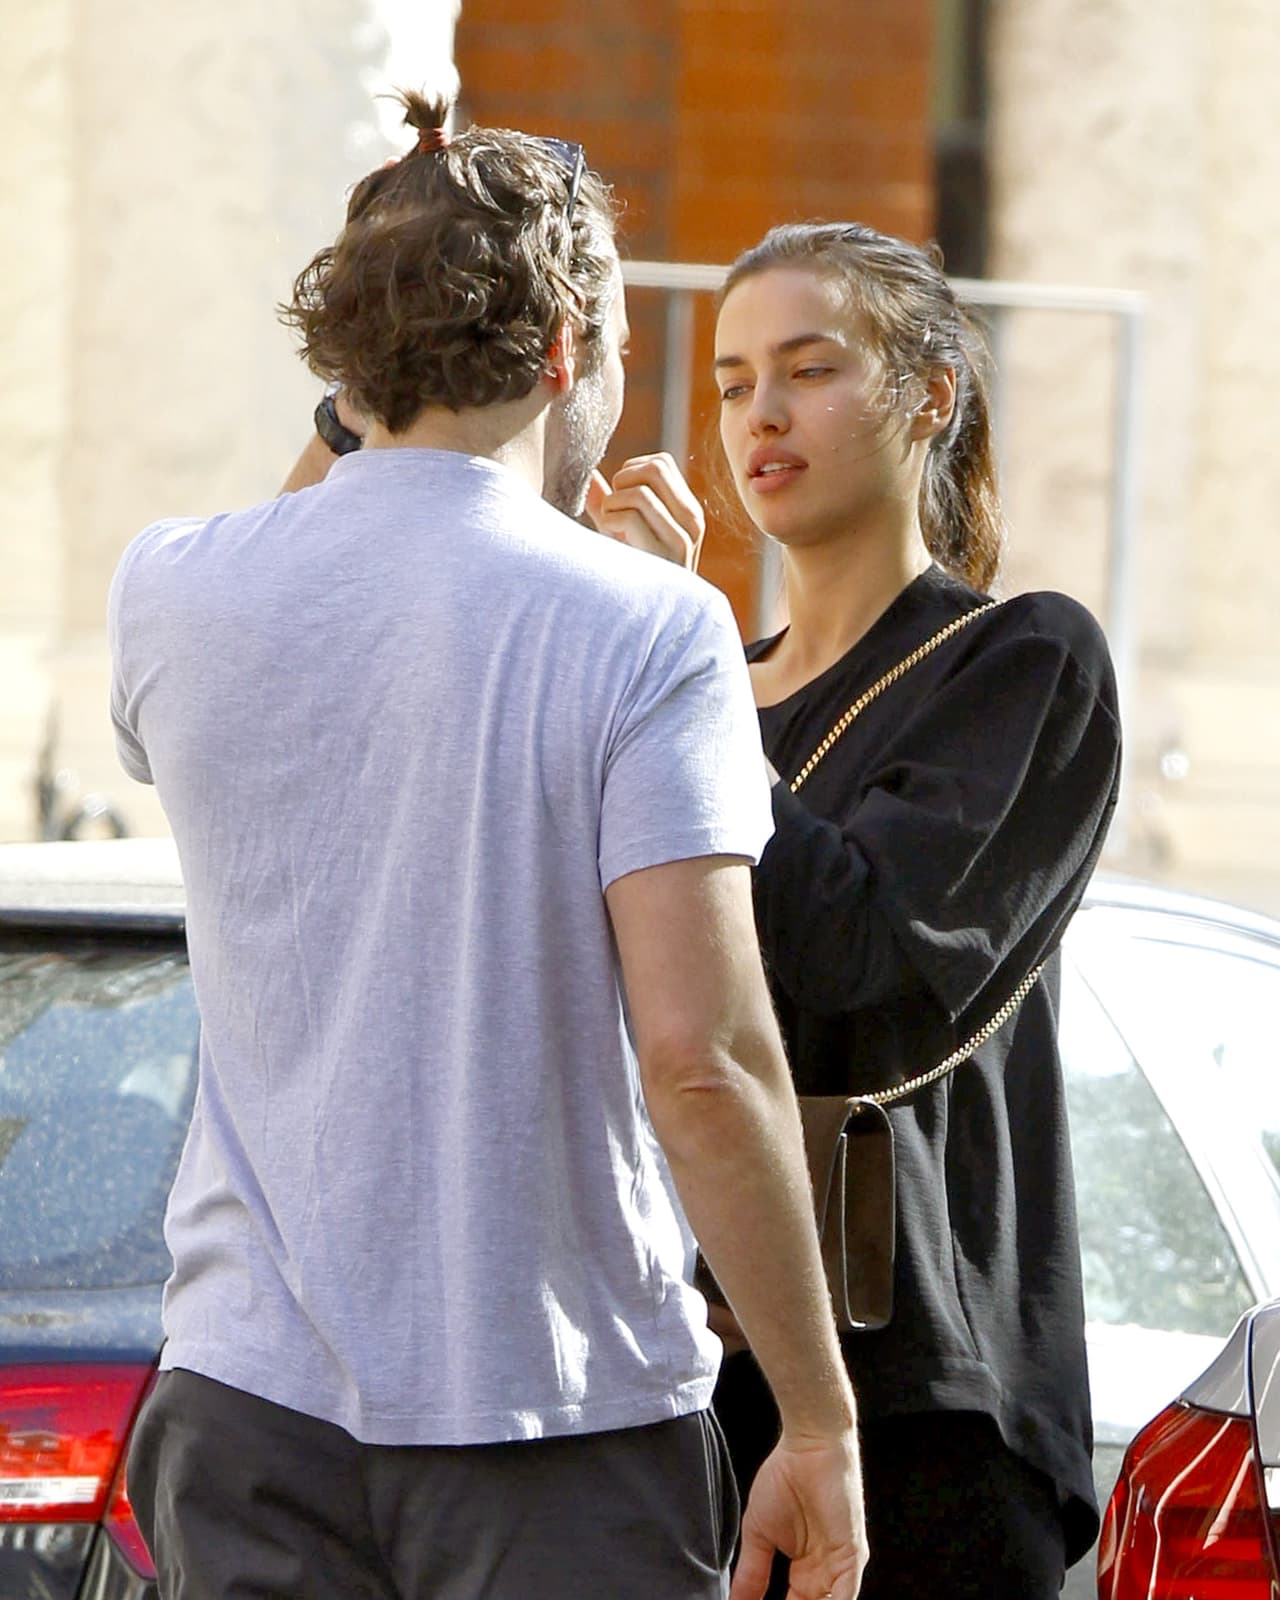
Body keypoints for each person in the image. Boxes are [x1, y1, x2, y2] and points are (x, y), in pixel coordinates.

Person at [109, 98, 868, 1600]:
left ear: (345, 355)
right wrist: (818, 1412)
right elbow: (702, 1058)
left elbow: (321, 606)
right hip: (557, 1419)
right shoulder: (647, 627)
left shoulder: (170, 590)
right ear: (569, 350)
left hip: (244, 1403)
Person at [613, 221, 1121, 1598]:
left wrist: (673, 659)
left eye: (809, 368)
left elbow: (861, 955)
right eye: (728, 381)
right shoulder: (688, 676)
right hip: (652, 1387)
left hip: (916, 1420)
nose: (758, 414)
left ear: (930, 398)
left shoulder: (1022, 663)